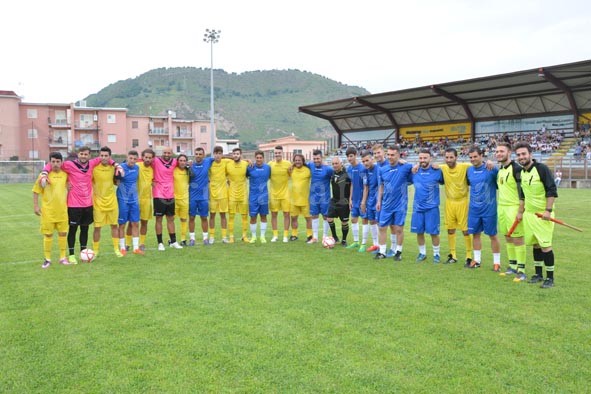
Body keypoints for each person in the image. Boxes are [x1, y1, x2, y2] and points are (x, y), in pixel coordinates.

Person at [39, 146, 118, 264]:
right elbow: (54, 164)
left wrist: (116, 164)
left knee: (85, 230)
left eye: (86, 154)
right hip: (74, 205)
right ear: (78, 154)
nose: (83, 156)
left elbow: (106, 159)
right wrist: (45, 172)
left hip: (88, 204)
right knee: (73, 230)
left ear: (89, 156)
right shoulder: (69, 164)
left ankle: (83, 253)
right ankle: (71, 255)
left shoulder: (93, 163)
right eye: (81, 154)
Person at [515, 142, 558, 288]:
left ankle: (550, 278)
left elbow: (551, 190)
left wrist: (548, 210)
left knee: (545, 246)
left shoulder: (541, 169)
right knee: (535, 245)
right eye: (519, 155)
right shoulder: (522, 172)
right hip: (529, 215)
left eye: (523, 154)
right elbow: (523, 196)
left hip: (542, 215)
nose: (521, 157)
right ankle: (538, 274)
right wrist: (521, 212)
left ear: (530, 154)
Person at [375, 145, 413, 260]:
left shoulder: (406, 167)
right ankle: (382, 252)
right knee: (382, 227)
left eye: (393, 155)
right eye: (389, 155)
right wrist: (379, 201)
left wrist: (405, 162)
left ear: (398, 155)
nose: (390, 157)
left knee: (398, 229)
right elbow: (381, 185)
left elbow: (416, 169)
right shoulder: (382, 169)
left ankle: (398, 252)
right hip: (386, 204)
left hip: (400, 204)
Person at [495, 142, 527, 281]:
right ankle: (512, 267)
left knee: (518, 238)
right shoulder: (500, 170)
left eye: (502, 151)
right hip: (501, 207)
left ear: (509, 153)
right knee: (507, 236)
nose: (499, 154)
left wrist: (520, 210)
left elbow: (523, 192)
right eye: (497, 151)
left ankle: (522, 270)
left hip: (514, 207)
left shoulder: (517, 169)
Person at [466, 146, 501, 270]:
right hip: (474, 209)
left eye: (475, 156)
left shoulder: (491, 169)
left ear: (481, 156)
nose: (473, 159)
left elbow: (499, 185)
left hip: (489, 208)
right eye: (470, 157)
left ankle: (497, 262)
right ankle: (477, 260)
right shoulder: (469, 170)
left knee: (493, 235)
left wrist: (492, 163)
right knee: (475, 234)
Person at [438, 148, 474, 265]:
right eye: (446, 157)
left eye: (451, 157)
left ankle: (469, 256)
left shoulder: (465, 166)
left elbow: (479, 163)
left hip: (462, 202)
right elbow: (428, 165)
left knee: (466, 230)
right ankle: (453, 255)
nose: (448, 160)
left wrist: (487, 162)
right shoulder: (442, 168)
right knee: (450, 229)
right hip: (449, 202)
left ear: (456, 157)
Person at [33, 152, 69, 268]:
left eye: (58, 161)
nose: (55, 164)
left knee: (63, 233)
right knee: (48, 235)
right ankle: (47, 259)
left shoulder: (66, 175)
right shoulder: (43, 176)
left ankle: (63, 258)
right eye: (53, 161)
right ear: (49, 162)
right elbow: (36, 191)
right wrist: (36, 206)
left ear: (61, 162)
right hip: (48, 211)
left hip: (62, 211)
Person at [410, 149, 444, 263]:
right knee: (419, 232)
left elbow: (446, 177)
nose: (422, 160)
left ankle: (436, 254)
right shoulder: (414, 171)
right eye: (420, 158)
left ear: (430, 158)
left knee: (434, 232)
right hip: (418, 208)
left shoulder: (437, 171)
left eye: (425, 158)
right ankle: (422, 253)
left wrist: (440, 166)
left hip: (432, 208)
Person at [91, 146, 123, 258]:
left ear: (110, 157)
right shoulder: (94, 168)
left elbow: (116, 181)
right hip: (98, 202)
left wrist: (119, 179)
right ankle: (95, 251)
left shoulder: (113, 168)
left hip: (112, 202)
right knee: (97, 228)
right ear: (99, 156)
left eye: (106, 156)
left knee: (114, 226)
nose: (103, 158)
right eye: (102, 155)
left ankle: (116, 249)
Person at [152, 146, 182, 250]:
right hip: (158, 194)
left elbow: (183, 163)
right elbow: (143, 161)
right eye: (165, 152)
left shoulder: (175, 162)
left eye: (168, 153)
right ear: (162, 153)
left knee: (171, 219)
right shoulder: (155, 160)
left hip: (170, 194)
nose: (166, 154)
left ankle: (173, 241)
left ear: (172, 153)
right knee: (159, 219)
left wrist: (189, 164)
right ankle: (160, 243)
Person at [116, 150, 143, 255]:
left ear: (137, 159)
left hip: (134, 199)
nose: (132, 160)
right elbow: (116, 181)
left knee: (135, 223)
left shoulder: (137, 168)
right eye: (130, 158)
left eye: (134, 159)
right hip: (123, 199)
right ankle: (122, 248)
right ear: (127, 158)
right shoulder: (120, 168)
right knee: (122, 224)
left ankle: (136, 248)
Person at [188, 147, 214, 245]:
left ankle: (205, 238)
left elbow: (221, 157)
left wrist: (245, 159)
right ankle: (192, 239)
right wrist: (188, 166)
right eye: (196, 154)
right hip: (192, 196)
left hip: (203, 196)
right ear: (194, 154)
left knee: (204, 217)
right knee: (191, 217)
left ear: (203, 155)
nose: (198, 156)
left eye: (200, 154)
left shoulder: (208, 161)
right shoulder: (190, 165)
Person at [306, 149, 334, 243]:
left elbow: (336, 177)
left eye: (318, 158)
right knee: (314, 215)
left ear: (321, 158)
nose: (316, 160)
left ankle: (325, 237)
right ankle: (315, 237)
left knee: (325, 216)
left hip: (324, 197)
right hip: (313, 196)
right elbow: (300, 163)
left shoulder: (328, 169)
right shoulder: (311, 165)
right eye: (314, 159)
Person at [131, 148, 154, 251]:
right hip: (135, 199)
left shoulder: (153, 169)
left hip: (147, 200)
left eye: (150, 157)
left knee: (144, 222)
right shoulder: (137, 166)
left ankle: (142, 243)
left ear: (152, 158)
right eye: (146, 157)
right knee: (133, 222)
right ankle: (127, 243)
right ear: (142, 157)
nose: (148, 159)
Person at [246, 151, 271, 243]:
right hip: (253, 196)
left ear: (263, 158)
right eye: (257, 158)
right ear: (255, 158)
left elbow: (270, 177)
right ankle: (253, 237)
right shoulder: (250, 167)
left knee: (263, 216)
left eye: (260, 158)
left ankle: (262, 236)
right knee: (253, 217)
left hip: (264, 196)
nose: (259, 159)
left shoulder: (268, 168)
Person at [268, 146, 292, 243]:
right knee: (274, 214)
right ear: (274, 153)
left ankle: (285, 236)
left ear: (282, 153)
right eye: (276, 153)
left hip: (285, 194)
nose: (277, 154)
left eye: (279, 153)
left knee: (286, 214)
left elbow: (292, 175)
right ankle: (275, 235)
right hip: (274, 194)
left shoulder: (288, 164)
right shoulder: (270, 165)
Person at [226, 147, 250, 243]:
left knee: (244, 216)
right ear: (232, 155)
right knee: (231, 216)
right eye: (234, 154)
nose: (235, 155)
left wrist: (248, 160)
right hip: (231, 194)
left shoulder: (246, 164)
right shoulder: (228, 164)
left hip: (243, 194)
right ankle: (231, 236)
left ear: (240, 155)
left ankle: (244, 236)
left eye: (237, 154)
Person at [326, 157, 351, 245]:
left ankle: (344, 240)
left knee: (344, 221)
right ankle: (334, 237)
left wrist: (350, 199)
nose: (335, 165)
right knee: (329, 218)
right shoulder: (332, 173)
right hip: (334, 200)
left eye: (336, 163)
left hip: (344, 201)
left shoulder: (347, 174)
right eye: (333, 164)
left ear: (341, 163)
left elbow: (352, 186)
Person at [360, 150, 380, 253]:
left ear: (372, 159)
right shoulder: (365, 171)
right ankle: (375, 244)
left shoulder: (378, 168)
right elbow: (366, 187)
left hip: (379, 199)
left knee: (380, 223)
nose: (365, 163)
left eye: (367, 160)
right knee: (372, 221)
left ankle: (382, 246)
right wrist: (363, 202)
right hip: (370, 200)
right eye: (363, 161)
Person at [208, 146, 230, 244]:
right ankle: (211, 236)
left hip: (223, 194)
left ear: (222, 154)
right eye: (216, 153)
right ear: (214, 154)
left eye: (219, 153)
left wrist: (246, 159)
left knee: (223, 215)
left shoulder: (225, 162)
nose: (217, 155)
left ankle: (224, 237)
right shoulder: (210, 163)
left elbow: (235, 158)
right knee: (212, 215)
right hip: (213, 194)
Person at [289, 154, 312, 241]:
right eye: (296, 160)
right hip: (294, 200)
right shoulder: (291, 170)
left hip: (305, 200)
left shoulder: (308, 170)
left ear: (303, 161)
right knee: (294, 218)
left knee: (308, 218)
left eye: (299, 160)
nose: (297, 162)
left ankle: (309, 235)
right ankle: (294, 235)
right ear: (294, 161)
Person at [345, 147, 365, 250]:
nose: (349, 158)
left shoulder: (362, 168)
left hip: (363, 199)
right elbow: (352, 184)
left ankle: (364, 243)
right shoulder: (349, 169)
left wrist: (364, 200)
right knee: (353, 219)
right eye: (348, 156)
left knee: (365, 220)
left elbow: (366, 185)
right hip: (355, 199)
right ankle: (356, 241)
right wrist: (350, 198)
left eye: (351, 156)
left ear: (355, 155)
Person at [173, 154, 190, 246]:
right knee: (171, 220)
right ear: (177, 161)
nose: (182, 162)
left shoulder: (188, 171)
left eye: (184, 160)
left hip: (185, 200)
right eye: (181, 160)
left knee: (184, 219)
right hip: (174, 199)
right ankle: (171, 239)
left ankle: (183, 239)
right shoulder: (173, 170)